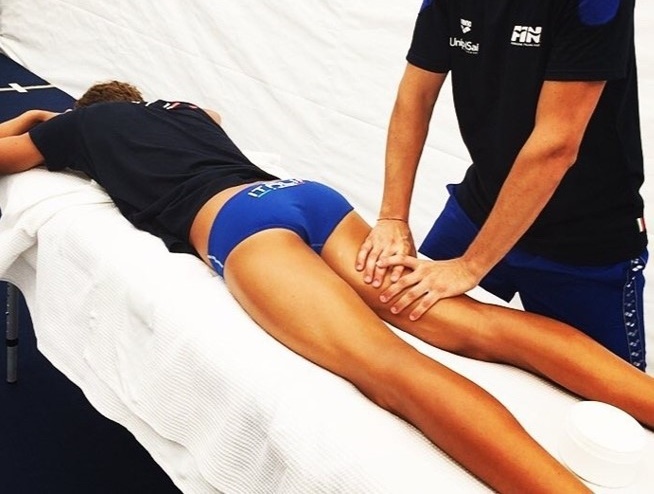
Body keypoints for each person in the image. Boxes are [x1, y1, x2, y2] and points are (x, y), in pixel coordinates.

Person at [1, 81, 654, 494]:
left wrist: (32, 120)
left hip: (240, 223)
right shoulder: (189, 111)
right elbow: (212, 115)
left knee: (388, 366)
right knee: (470, 324)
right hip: (308, 198)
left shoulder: (77, 127)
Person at [356, 0, 648, 370]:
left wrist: (470, 267)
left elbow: (556, 146)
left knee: (609, 397)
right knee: (407, 336)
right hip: (481, 209)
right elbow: (416, 96)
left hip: (583, 242)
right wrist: (393, 217)